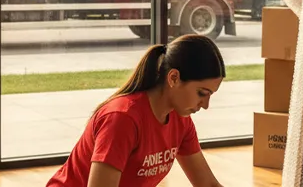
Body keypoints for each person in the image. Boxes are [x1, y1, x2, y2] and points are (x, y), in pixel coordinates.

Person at [47, 35, 227, 187]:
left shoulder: (181, 120)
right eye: (202, 93)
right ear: (174, 78)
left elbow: (208, 185)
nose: (205, 105)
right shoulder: (122, 118)